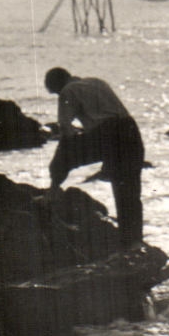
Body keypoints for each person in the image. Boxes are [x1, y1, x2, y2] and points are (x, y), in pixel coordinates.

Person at [44, 67, 146, 246]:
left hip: (108, 134)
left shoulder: (67, 91)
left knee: (65, 152)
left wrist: (70, 144)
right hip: (130, 131)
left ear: (57, 86)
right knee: (128, 190)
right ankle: (134, 241)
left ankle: (52, 191)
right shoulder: (97, 82)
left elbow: (66, 128)